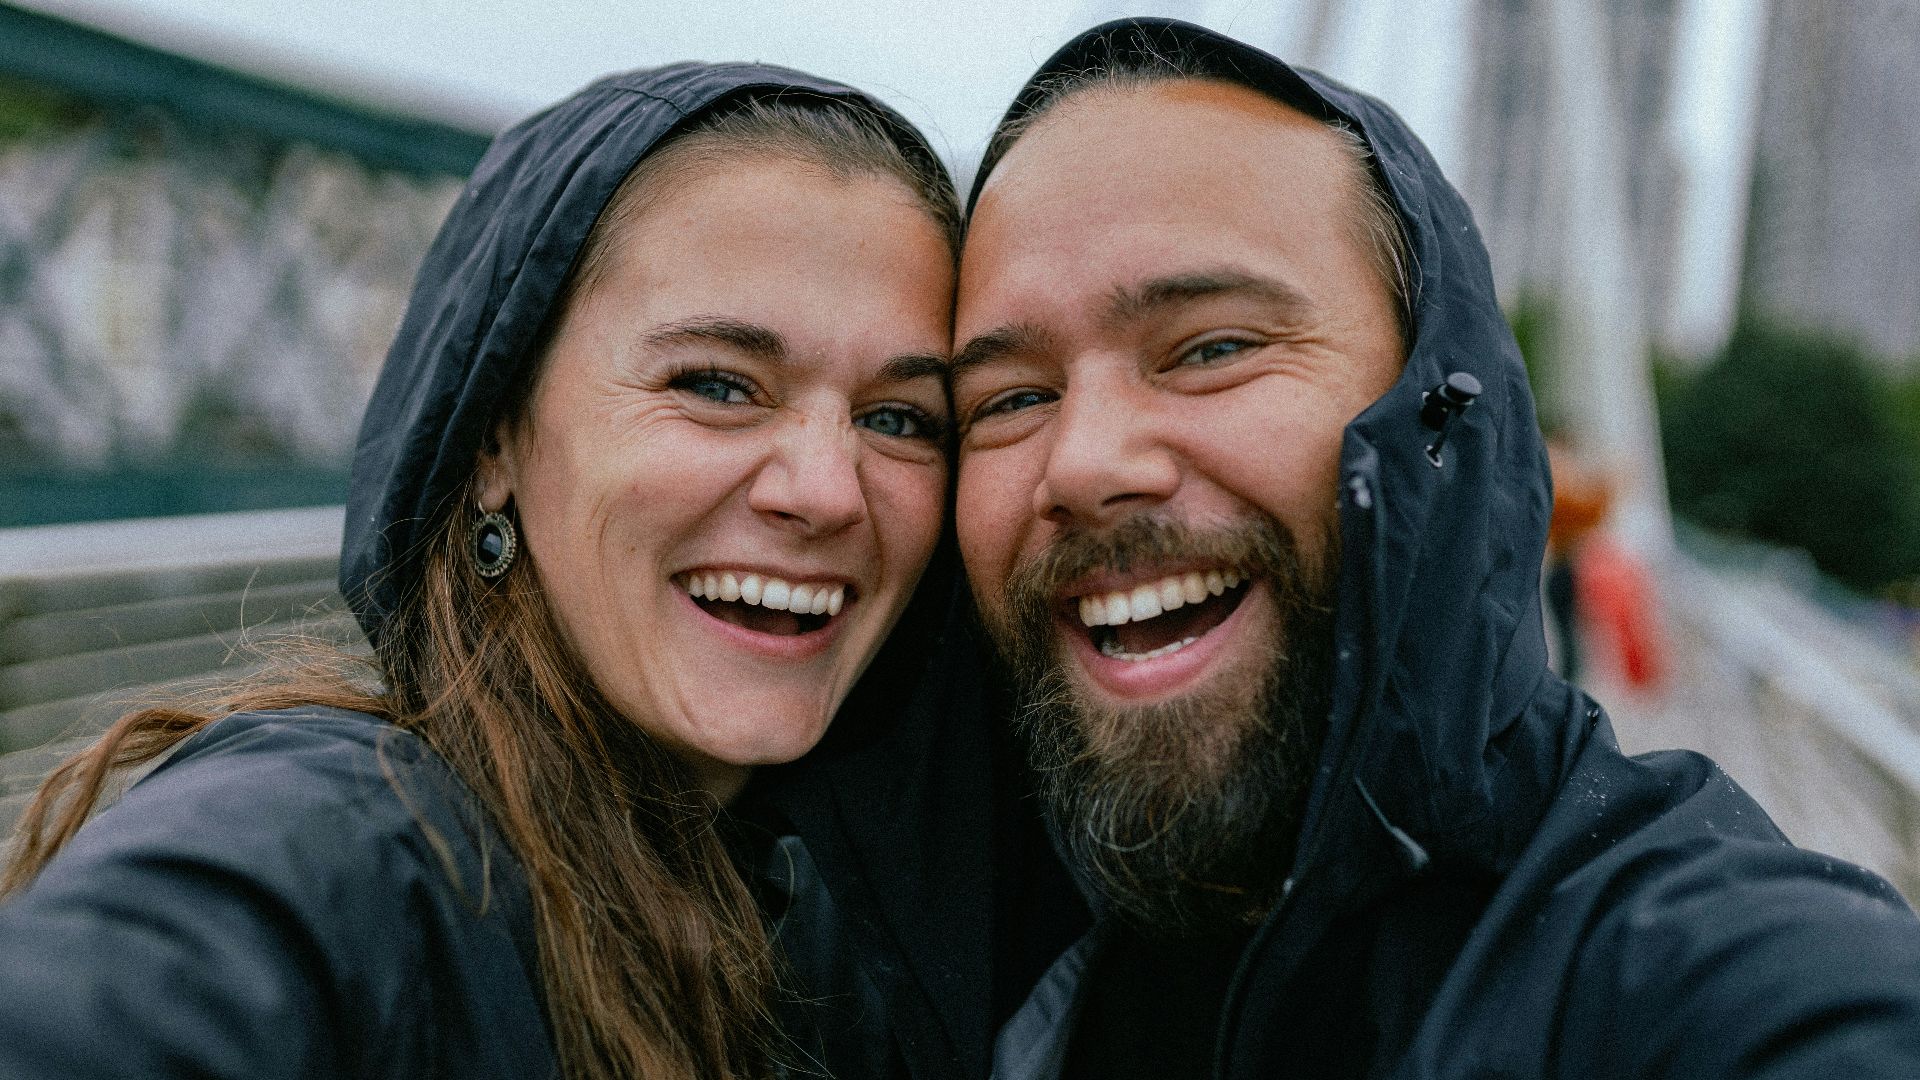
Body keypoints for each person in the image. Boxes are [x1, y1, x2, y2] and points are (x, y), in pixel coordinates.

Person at [952, 19, 1920, 1080]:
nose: (1082, 464)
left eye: (1215, 347)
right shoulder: (936, 937)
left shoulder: (1693, 972)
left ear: (1437, 407)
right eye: (1010, 399)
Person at [0, 62, 965, 1080]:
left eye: (899, 419)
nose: (827, 491)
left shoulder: (825, 916)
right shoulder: (337, 849)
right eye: (718, 385)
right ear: (496, 438)